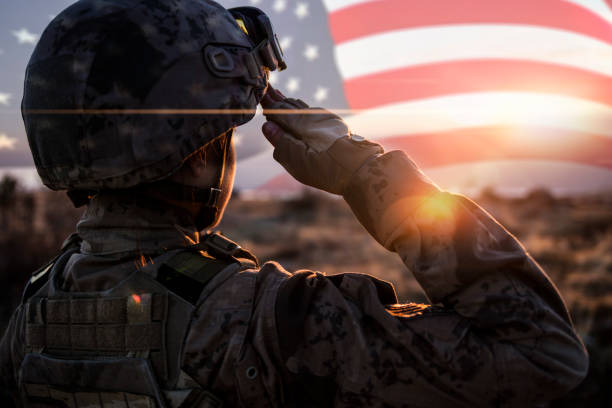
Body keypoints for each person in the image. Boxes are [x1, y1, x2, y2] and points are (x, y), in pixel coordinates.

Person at [0, 0, 588, 406]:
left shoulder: (29, 317)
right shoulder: (272, 323)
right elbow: (542, 354)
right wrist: (363, 168)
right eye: (224, 135)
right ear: (197, 149)